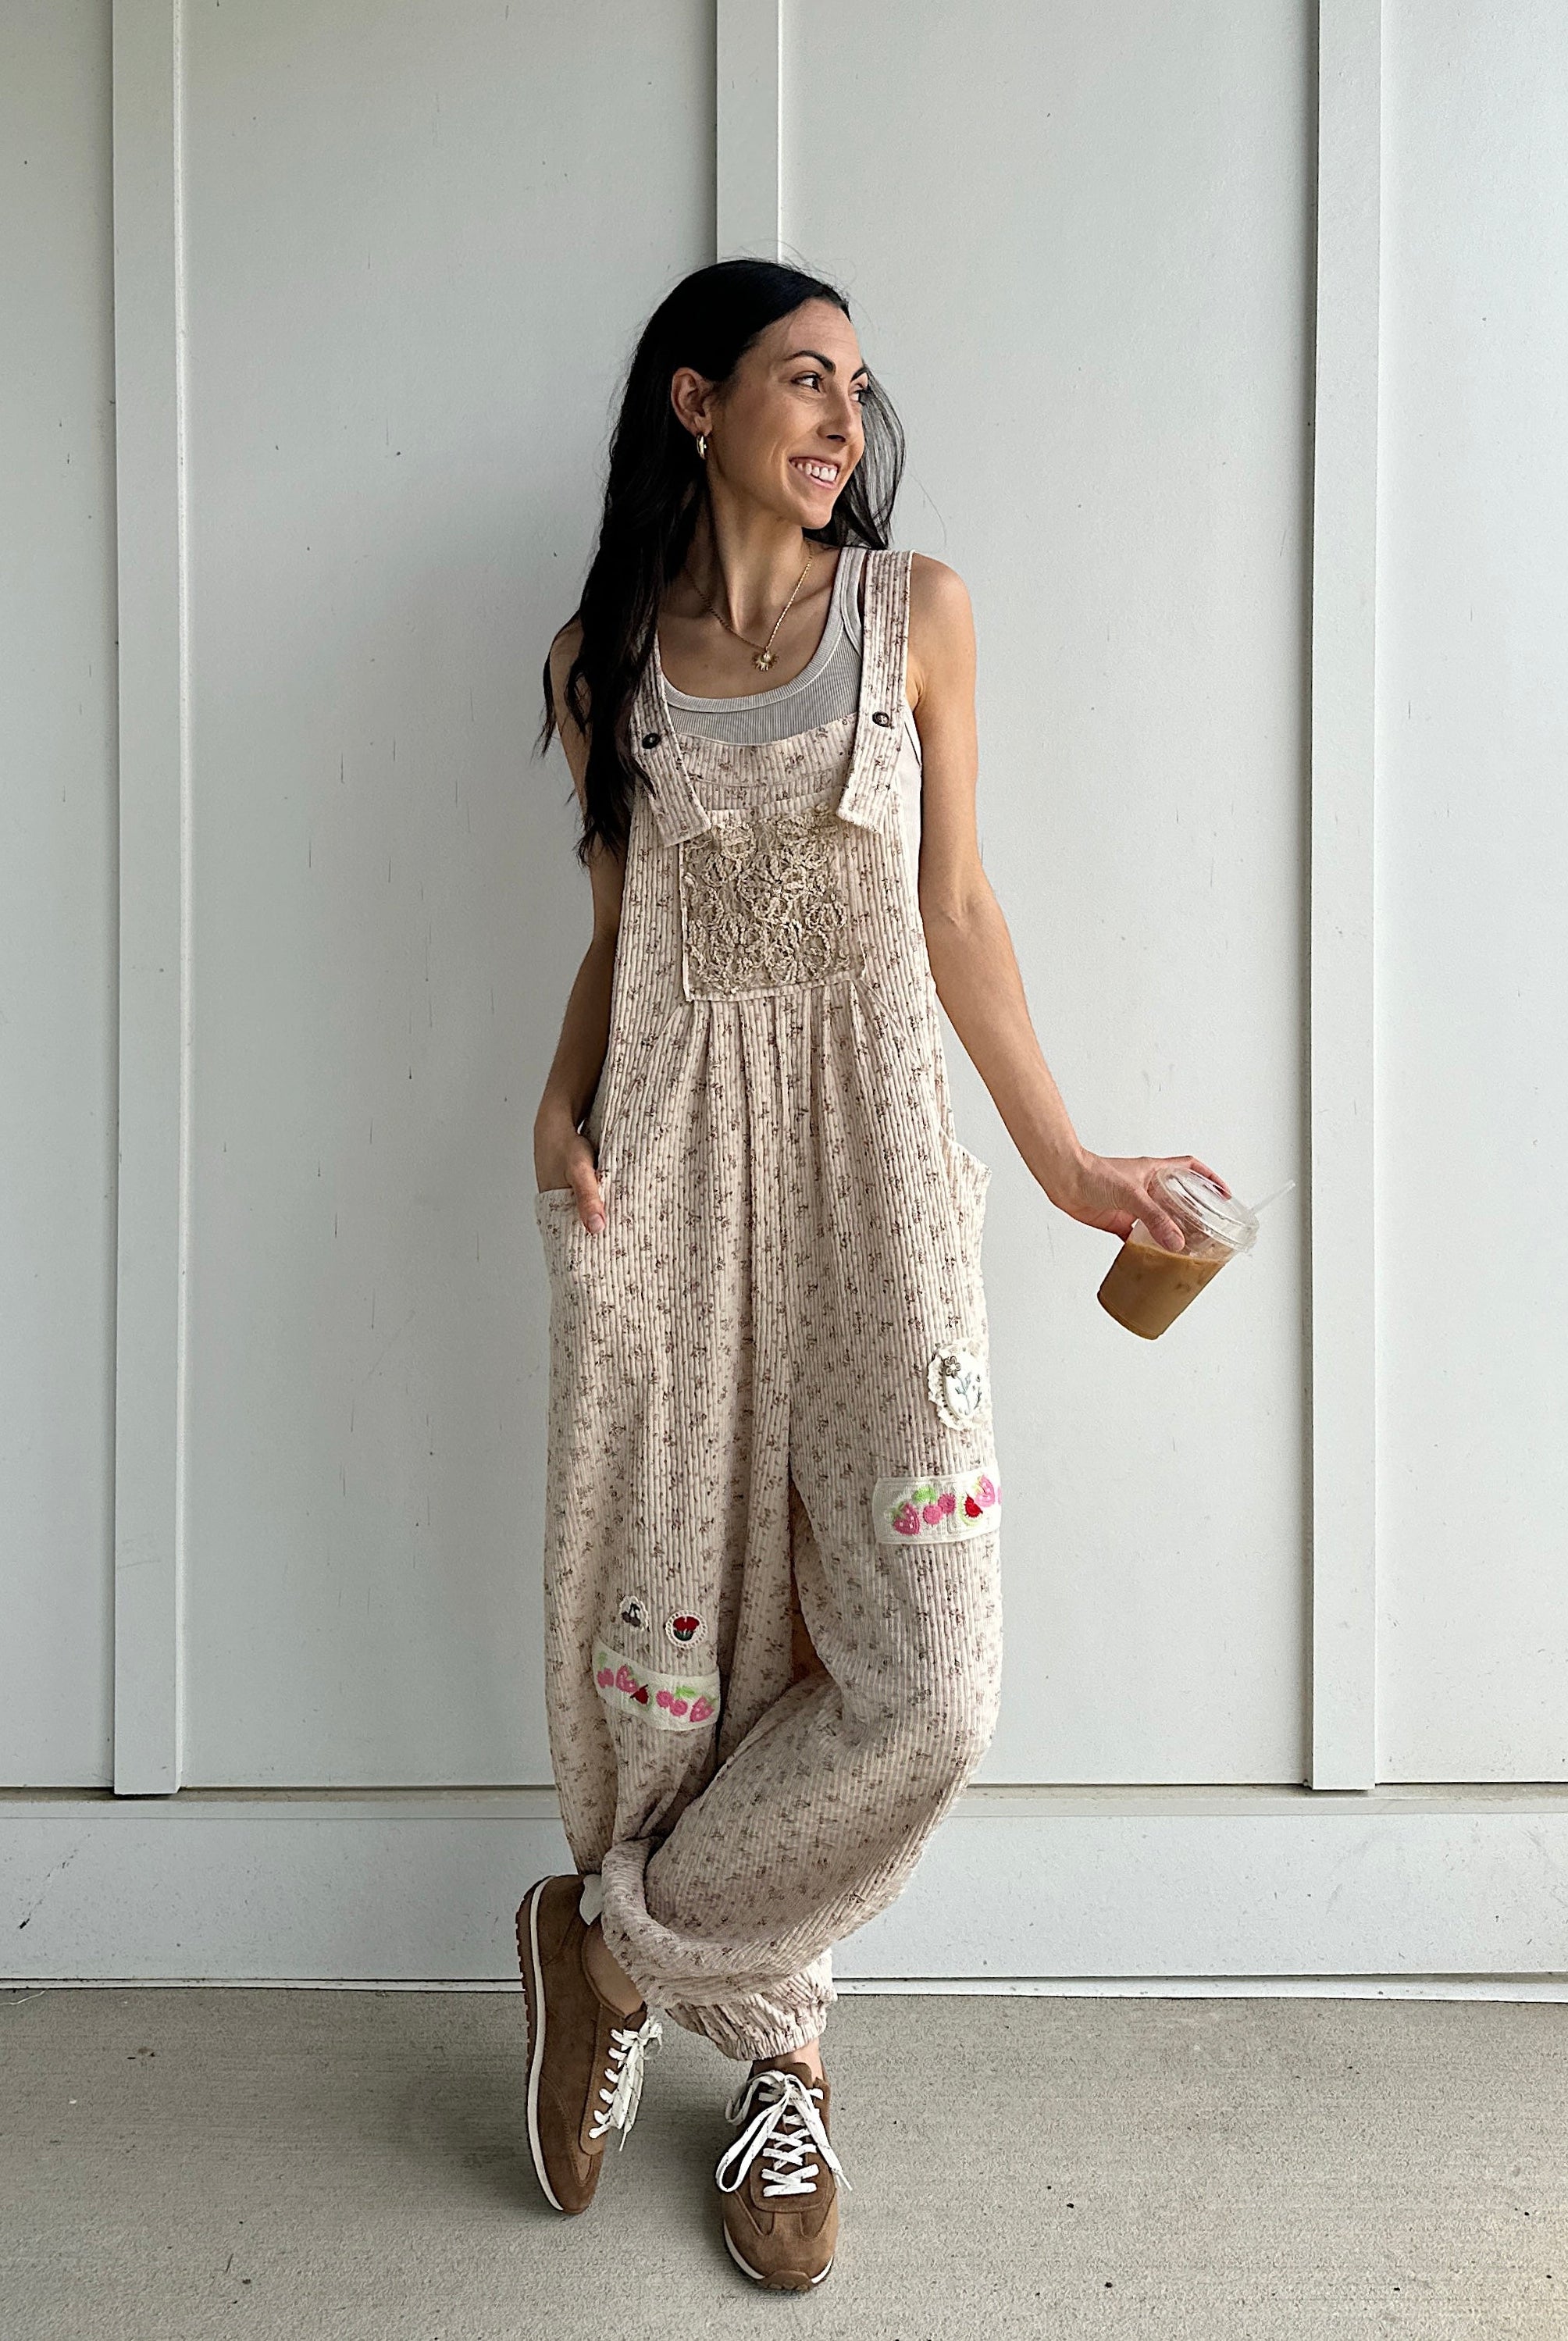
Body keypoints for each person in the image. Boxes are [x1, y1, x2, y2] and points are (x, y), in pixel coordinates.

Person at [515, 258, 1230, 2292]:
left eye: (856, 389)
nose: (843, 420)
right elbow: (619, 934)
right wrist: (551, 1105)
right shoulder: (599, 665)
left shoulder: (917, 616)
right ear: (696, 402)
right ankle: (785, 2070)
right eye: (803, 379)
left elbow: (961, 910)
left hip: (876, 1163)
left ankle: (610, 1948)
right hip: (661, 1169)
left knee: (926, 1677)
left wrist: (1070, 1163)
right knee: (695, 1618)